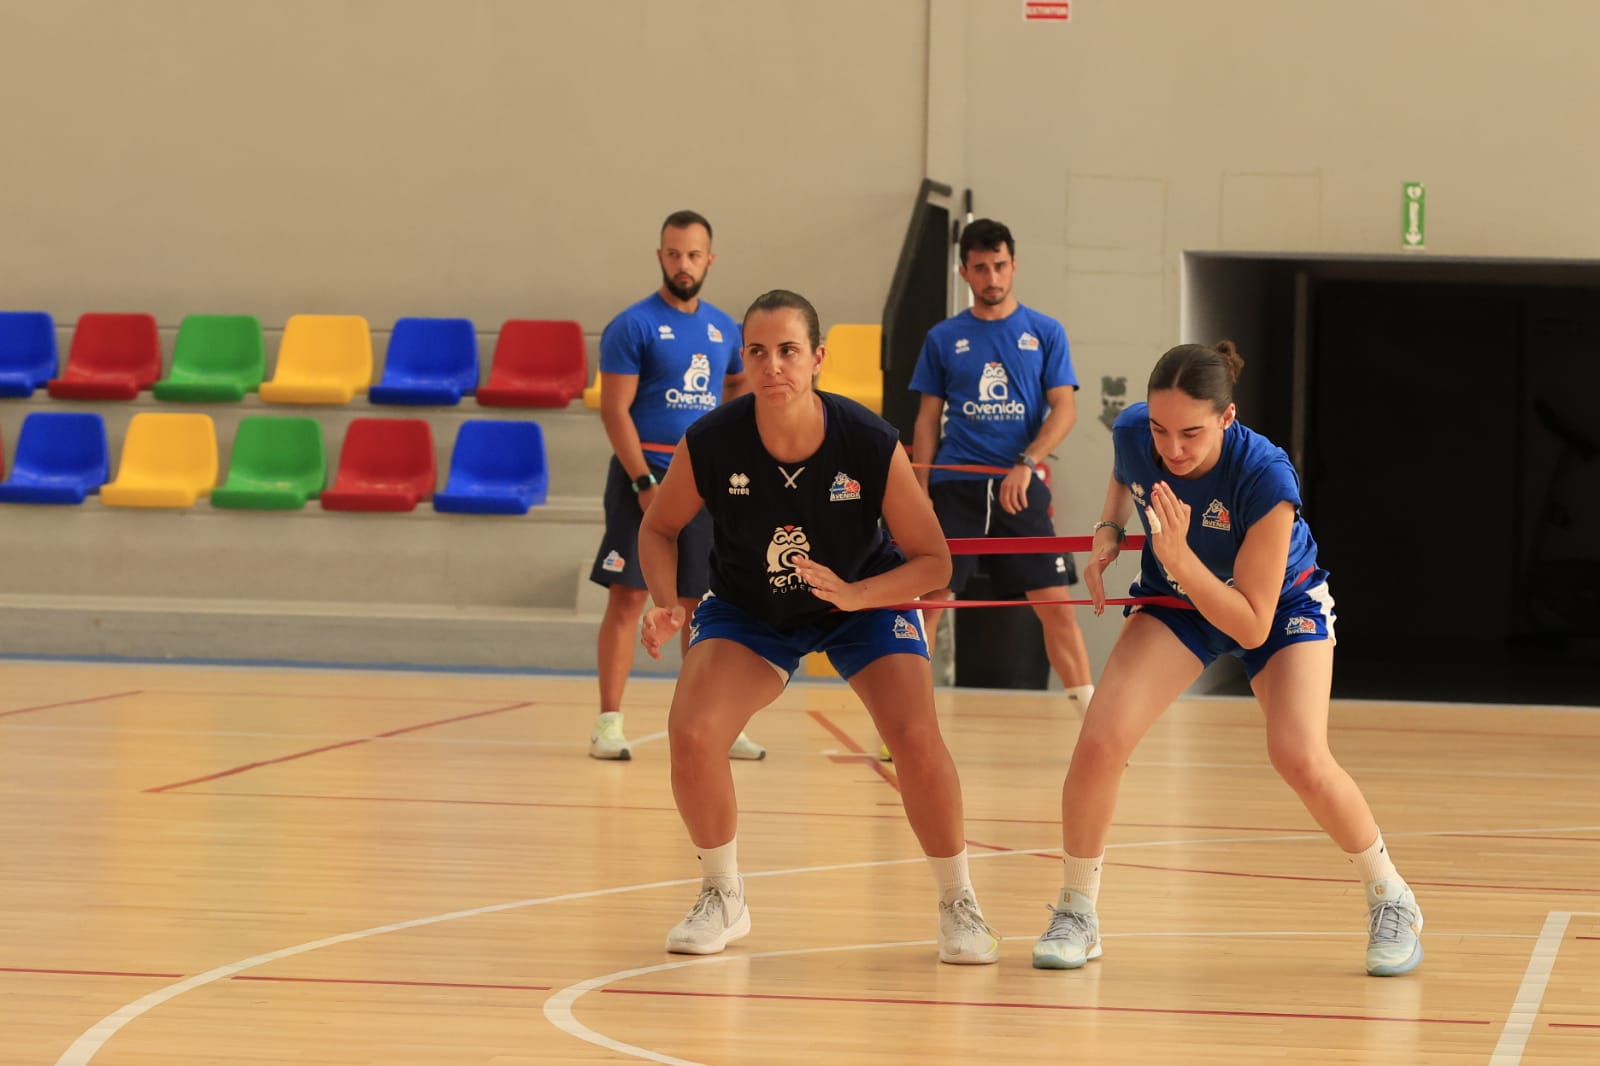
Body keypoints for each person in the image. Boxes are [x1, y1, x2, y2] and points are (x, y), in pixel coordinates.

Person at [1031, 340, 1424, 977]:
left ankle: (1391, 896)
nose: (1172, 449)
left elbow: (1249, 620)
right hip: (1179, 602)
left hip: (1276, 606)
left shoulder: (1265, 476)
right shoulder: (1139, 433)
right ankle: (1077, 909)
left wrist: (1183, 560)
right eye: (1161, 429)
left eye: (1190, 433)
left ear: (1227, 418)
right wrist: (1109, 528)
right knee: (1100, 740)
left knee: (1298, 755)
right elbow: (1127, 468)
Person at [637, 289, 1001, 964]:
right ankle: (723, 895)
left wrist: (860, 594)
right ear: (740, 359)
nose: (772, 365)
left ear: (818, 360)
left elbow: (933, 560)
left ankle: (959, 901)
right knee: (690, 731)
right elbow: (658, 527)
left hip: (864, 598)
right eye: (757, 351)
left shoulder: (867, 441)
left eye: (788, 350)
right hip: (752, 608)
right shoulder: (712, 441)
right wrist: (665, 600)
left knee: (916, 737)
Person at [588, 209, 763, 762]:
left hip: (701, 479)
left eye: (693, 255)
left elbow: (738, 382)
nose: (682, 264)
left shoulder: (722, 328)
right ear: (660, 256)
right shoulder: (632, 325)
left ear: (709, 260)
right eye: (673, 253)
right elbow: (615, 411)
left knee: (698, 602)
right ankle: (609, 723)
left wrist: (725, 438)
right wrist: (642, 481)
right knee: (630, 596)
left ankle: (708, 723)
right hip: (644, 474)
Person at [909, 218, 1094, 707]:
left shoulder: (1045, 332)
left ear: (1014, 266)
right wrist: (920, 490)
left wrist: (1026, 461)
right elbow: (927, 420)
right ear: (964, 272)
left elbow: (1066, 408)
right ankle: (904, 722)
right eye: (981, 268)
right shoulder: (943, 337)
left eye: (1000, 266)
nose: (992, 277)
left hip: (1019, 483)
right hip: (957, 486)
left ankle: (1096, 725)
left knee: (1057, 608)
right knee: (928, 606)